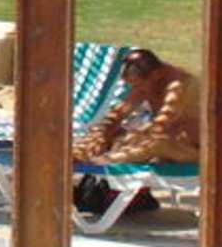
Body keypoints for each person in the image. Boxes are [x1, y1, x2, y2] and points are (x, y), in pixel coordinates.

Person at [72, 48, 200, 166]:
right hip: (168, 138)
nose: (136, 89)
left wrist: (132, 137)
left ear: (156, 75)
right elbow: (119, 113)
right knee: (111, 131)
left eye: (138, 85)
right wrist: (102, 132)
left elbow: (160, 125)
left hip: (194, 149)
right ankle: (77, 155)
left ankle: (102, 162)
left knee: (156, 144)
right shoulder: (149, 81)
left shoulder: (180, 86)